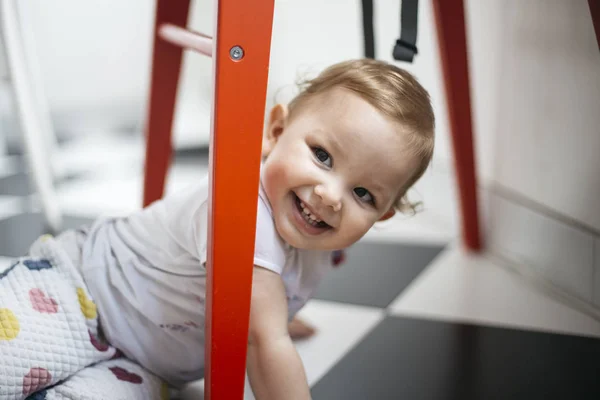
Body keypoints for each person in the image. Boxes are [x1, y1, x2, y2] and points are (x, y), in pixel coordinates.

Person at [0, 58, 434, 400]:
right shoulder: (242, 208)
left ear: (383, 215)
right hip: (79, 293)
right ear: (276, 131)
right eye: (322, 156)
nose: (331, 195)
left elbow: (265, 302)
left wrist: (271, 313)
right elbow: (264, 347)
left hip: (148, 364)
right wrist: (269, 331)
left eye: (363, 194)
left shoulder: (319, 234)